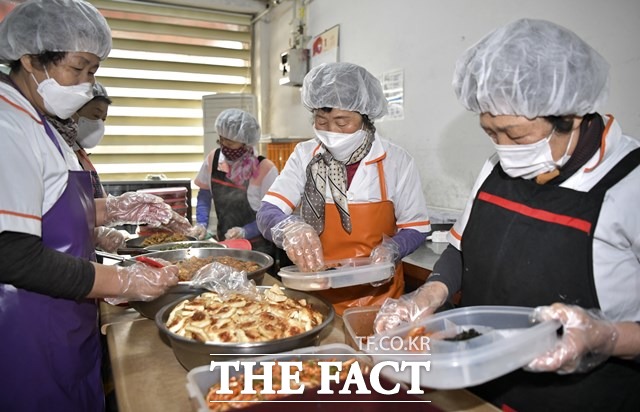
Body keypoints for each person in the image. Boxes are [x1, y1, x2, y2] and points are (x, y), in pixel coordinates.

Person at [374, 19, 640, 411]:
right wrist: (430, 292)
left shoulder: (629, 182)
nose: (504, 149)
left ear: (572, 115)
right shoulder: (497, 168)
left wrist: (606, 337)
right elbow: (460, 250)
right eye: (490, 133)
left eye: (515, 135)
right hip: (479, 392)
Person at [0, 1, 184, 409]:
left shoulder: (41, 123)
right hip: (26, 329)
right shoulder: (7, 124)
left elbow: (52, 212)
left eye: (93, 72)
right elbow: (11, 253)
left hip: (67, 321)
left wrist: (116, 208)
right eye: (77, 68)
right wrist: (124, 281)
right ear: (31, 60)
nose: (85, 84)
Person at [256, 62, 431, 315]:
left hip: (378, 301)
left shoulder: (396, 161)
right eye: (321, 121)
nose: (331, 132)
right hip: (314, 297)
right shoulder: (305, 155)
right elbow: (268, 210)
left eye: (342, 121)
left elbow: (415, 227)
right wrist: (289, 227)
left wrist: (392, 249)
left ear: (366, 117)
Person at [47, 80, 126, 253]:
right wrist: (96, 232)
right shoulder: (52, 147)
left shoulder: (80, 154)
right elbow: (56, 212)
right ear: (73, 110)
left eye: (104, 120)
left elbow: (98, 201)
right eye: (96, 116)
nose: (100, 125)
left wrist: (108, 229)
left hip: (84, 253)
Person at [193, 108, 279, 258]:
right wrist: (201, 223)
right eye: (221, 140)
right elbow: (205, 195)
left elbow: (273, 214)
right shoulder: (214, 159)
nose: (225, 146)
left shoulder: (265, 169)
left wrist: (246, 231)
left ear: (246, 142)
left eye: (230, 143)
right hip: (225, 244)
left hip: (258, 249)